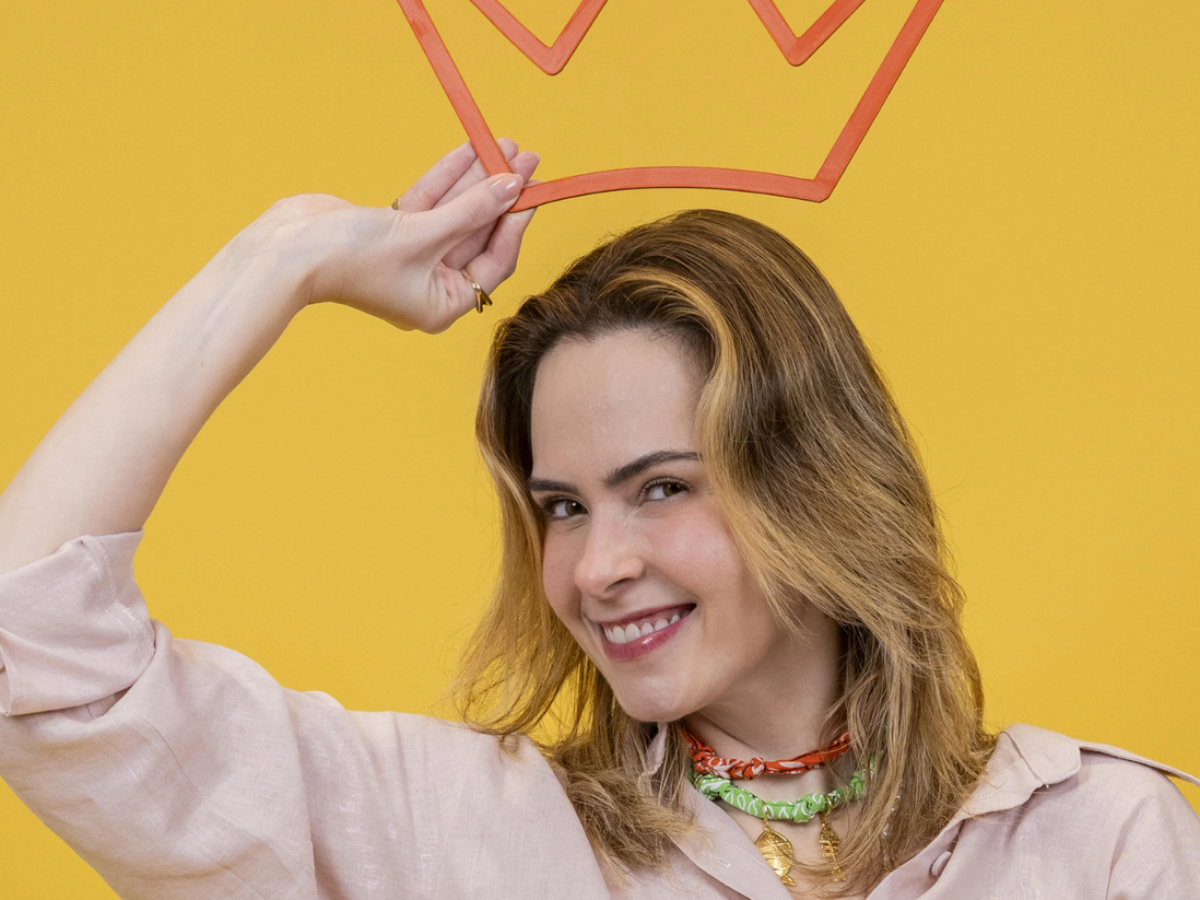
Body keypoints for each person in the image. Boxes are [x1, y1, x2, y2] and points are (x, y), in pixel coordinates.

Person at [0, 142, 1196, 900]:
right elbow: (31, 638)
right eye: (563, 507)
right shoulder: (456, 835)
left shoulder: (1097, 841)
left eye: (662, 486)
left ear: (815, 482)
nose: (596, 567)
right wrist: (286, 254)